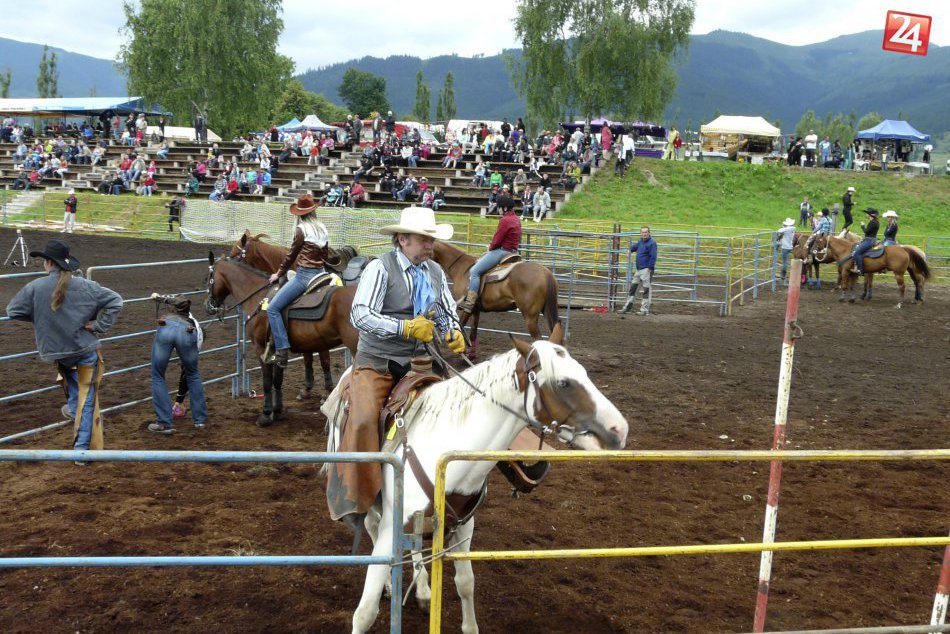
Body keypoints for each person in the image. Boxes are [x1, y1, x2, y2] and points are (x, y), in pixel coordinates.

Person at [331, 206, 463, 525]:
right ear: (403, 239)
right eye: (424, 239)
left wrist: (452, 330)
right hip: (378, 362)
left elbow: (445, 310)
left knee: (462, 405)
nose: (431, 245)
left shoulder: (434, 272)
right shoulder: (380, 268)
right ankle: (356, 496)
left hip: (422, 362)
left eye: (431, 239)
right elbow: (360, 315)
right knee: (364, 418)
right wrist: (404, 328)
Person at [6, 240, 122, 461]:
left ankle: (77, 425)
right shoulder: (87, 286)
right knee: (86, 398)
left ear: (49, 263)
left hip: (58, 351)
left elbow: (13, 311)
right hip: (84, 348)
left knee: (77, 392)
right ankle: (81, 449)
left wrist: (42, 318)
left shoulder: (35, 287)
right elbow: (116, 301)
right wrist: (98, 325)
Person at [265, 194, 331, 368]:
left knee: (272, 308)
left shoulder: (301, 229)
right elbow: (325, 255)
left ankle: (282, 349)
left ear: (300, 214)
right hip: (321, 274)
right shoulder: (322, 228)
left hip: (304, 276)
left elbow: (291, 255)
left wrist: (278, 273)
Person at [147, 294, 207, 434]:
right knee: (193, 374)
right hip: (187, 332)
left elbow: (170, 299)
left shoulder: (168, 315)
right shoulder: (193, 322)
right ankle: (200, 421)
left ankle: (164, 422)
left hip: (166, 329)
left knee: (158, 375)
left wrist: (159, 298)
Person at [457, 199, 521, 314]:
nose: (498, 210)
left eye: (499, 207)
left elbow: (497, 240)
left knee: (475, 271)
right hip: (514, 252)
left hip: (503, 251)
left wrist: (490, 247)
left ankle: (470, 302)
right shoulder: (516, 219)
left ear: (504, 208)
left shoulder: (505, 220)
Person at [619, 226, 658, 315]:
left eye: (646, 232)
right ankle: (627, 307)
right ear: (640, 233)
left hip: (646, 269)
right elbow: (634, 247)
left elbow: (653, 256)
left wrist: (650, 267)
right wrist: (629, 250)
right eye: (643, 232)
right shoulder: (641, 241)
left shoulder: (652, 243)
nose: (644, 234)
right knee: (633, 288)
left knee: (646, 289)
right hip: (639, 269)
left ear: (649, 233)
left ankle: (644, 310)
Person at [849, 208, 880, 275]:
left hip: (869, 240)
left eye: (867, 213)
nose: (866, 214)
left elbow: (866, 232)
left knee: (857, 253)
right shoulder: (875, 222)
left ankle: (859, 269)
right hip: (871, 239)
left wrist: (863, 226)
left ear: (870, 215)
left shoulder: (872, 222)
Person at [775, 217, 797, 284]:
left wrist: (783, 228)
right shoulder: (793, 229)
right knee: (793, 261)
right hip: (791, 246)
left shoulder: (786, 229)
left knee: (784, 262)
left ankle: (783, 275)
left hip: (785, 247)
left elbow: (779, 231)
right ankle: (795, 275)